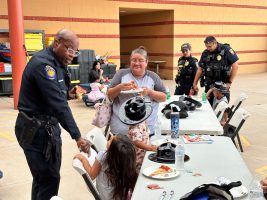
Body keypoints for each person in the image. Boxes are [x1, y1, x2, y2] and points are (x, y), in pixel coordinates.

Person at [15, 29, 90, 200]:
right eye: (69, 49)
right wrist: (77, 136)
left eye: (75, 51)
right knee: (49, 179)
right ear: (56, 43)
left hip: (45, 128)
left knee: (43, 179)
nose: (72, 55)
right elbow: (59, 105)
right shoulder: (44, 65)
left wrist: (67, 94)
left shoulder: (56, 61)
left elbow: (54, 95)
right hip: (36, 131)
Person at [107, 46, 166, 136]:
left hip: (146, 129)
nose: (136, 63)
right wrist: (119, 87)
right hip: (122, 129)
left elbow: (163, 97)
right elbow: (109, 95)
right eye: (134, 60)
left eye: (140, 60)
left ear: (146, 62)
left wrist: (150, 92)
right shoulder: (121, 74)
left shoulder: (153, 76)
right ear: (130, 62)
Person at [74, 134, 138, 200]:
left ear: (112, 150)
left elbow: (92, 175)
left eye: (110, 140)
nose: (108, 139)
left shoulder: (102, 156)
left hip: (105, 196)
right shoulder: (126, 159)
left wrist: (83, 159)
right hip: (121, 194)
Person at [193, 36, 239, 104]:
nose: (208, 48)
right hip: (209, 85)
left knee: (221, 108)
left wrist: (229, 82)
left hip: (222, 86)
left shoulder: (226, 50)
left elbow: (235, 66)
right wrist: (194, 83)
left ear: (215, 43)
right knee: (208, 107)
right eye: (206, 47)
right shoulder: (205, 53)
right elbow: (200, 69)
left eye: (210, 46)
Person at [118, 96, 158, 172]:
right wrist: (150, 148)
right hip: (138, 159)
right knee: (139, 173)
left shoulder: (141, 122)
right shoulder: (135, 129)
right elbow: (137, 142)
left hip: (143, 154)